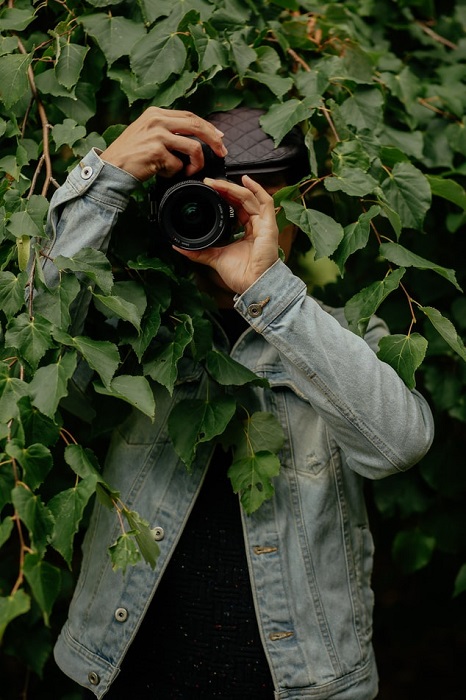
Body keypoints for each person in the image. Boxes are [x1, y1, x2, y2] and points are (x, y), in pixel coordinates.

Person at [42, 106, 434, 699]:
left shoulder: (344, 335)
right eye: (201, 200)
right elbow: (42, 348)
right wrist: (109, 178)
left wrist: (267, 292)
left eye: (249, 199)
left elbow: (399, 445)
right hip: (128, 676)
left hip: (302, 686)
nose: (225, 219)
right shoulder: (133, 330)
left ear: (294, 213)